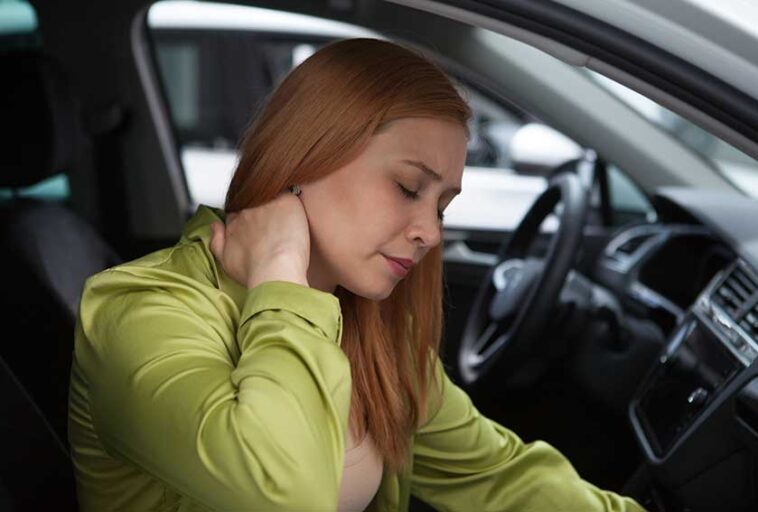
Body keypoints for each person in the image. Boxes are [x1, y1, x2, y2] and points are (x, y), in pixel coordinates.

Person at [67, 37, 646, 511]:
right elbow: (282, 492)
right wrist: (279, 273)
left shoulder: (368, 321)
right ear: (304, 156)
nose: (431, 232)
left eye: (441, 206)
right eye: (407, 188)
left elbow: (501, 476)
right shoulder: (138, 315)